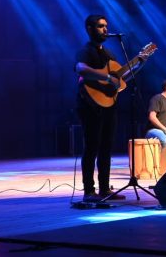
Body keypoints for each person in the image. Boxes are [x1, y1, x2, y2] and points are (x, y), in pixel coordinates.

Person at [74, 14, 126, 202]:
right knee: (92, 146)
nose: (106, 29)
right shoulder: (85, 50)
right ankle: (89, 191)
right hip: (89, 105)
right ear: (89, 28)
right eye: (100, 26)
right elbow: (80, 68)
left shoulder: (109, 54)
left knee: (106, 148)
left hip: (108, 105)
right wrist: (105, 78)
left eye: (106, 26)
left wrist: (138, 64)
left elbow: (120, 81)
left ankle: (104, 189)